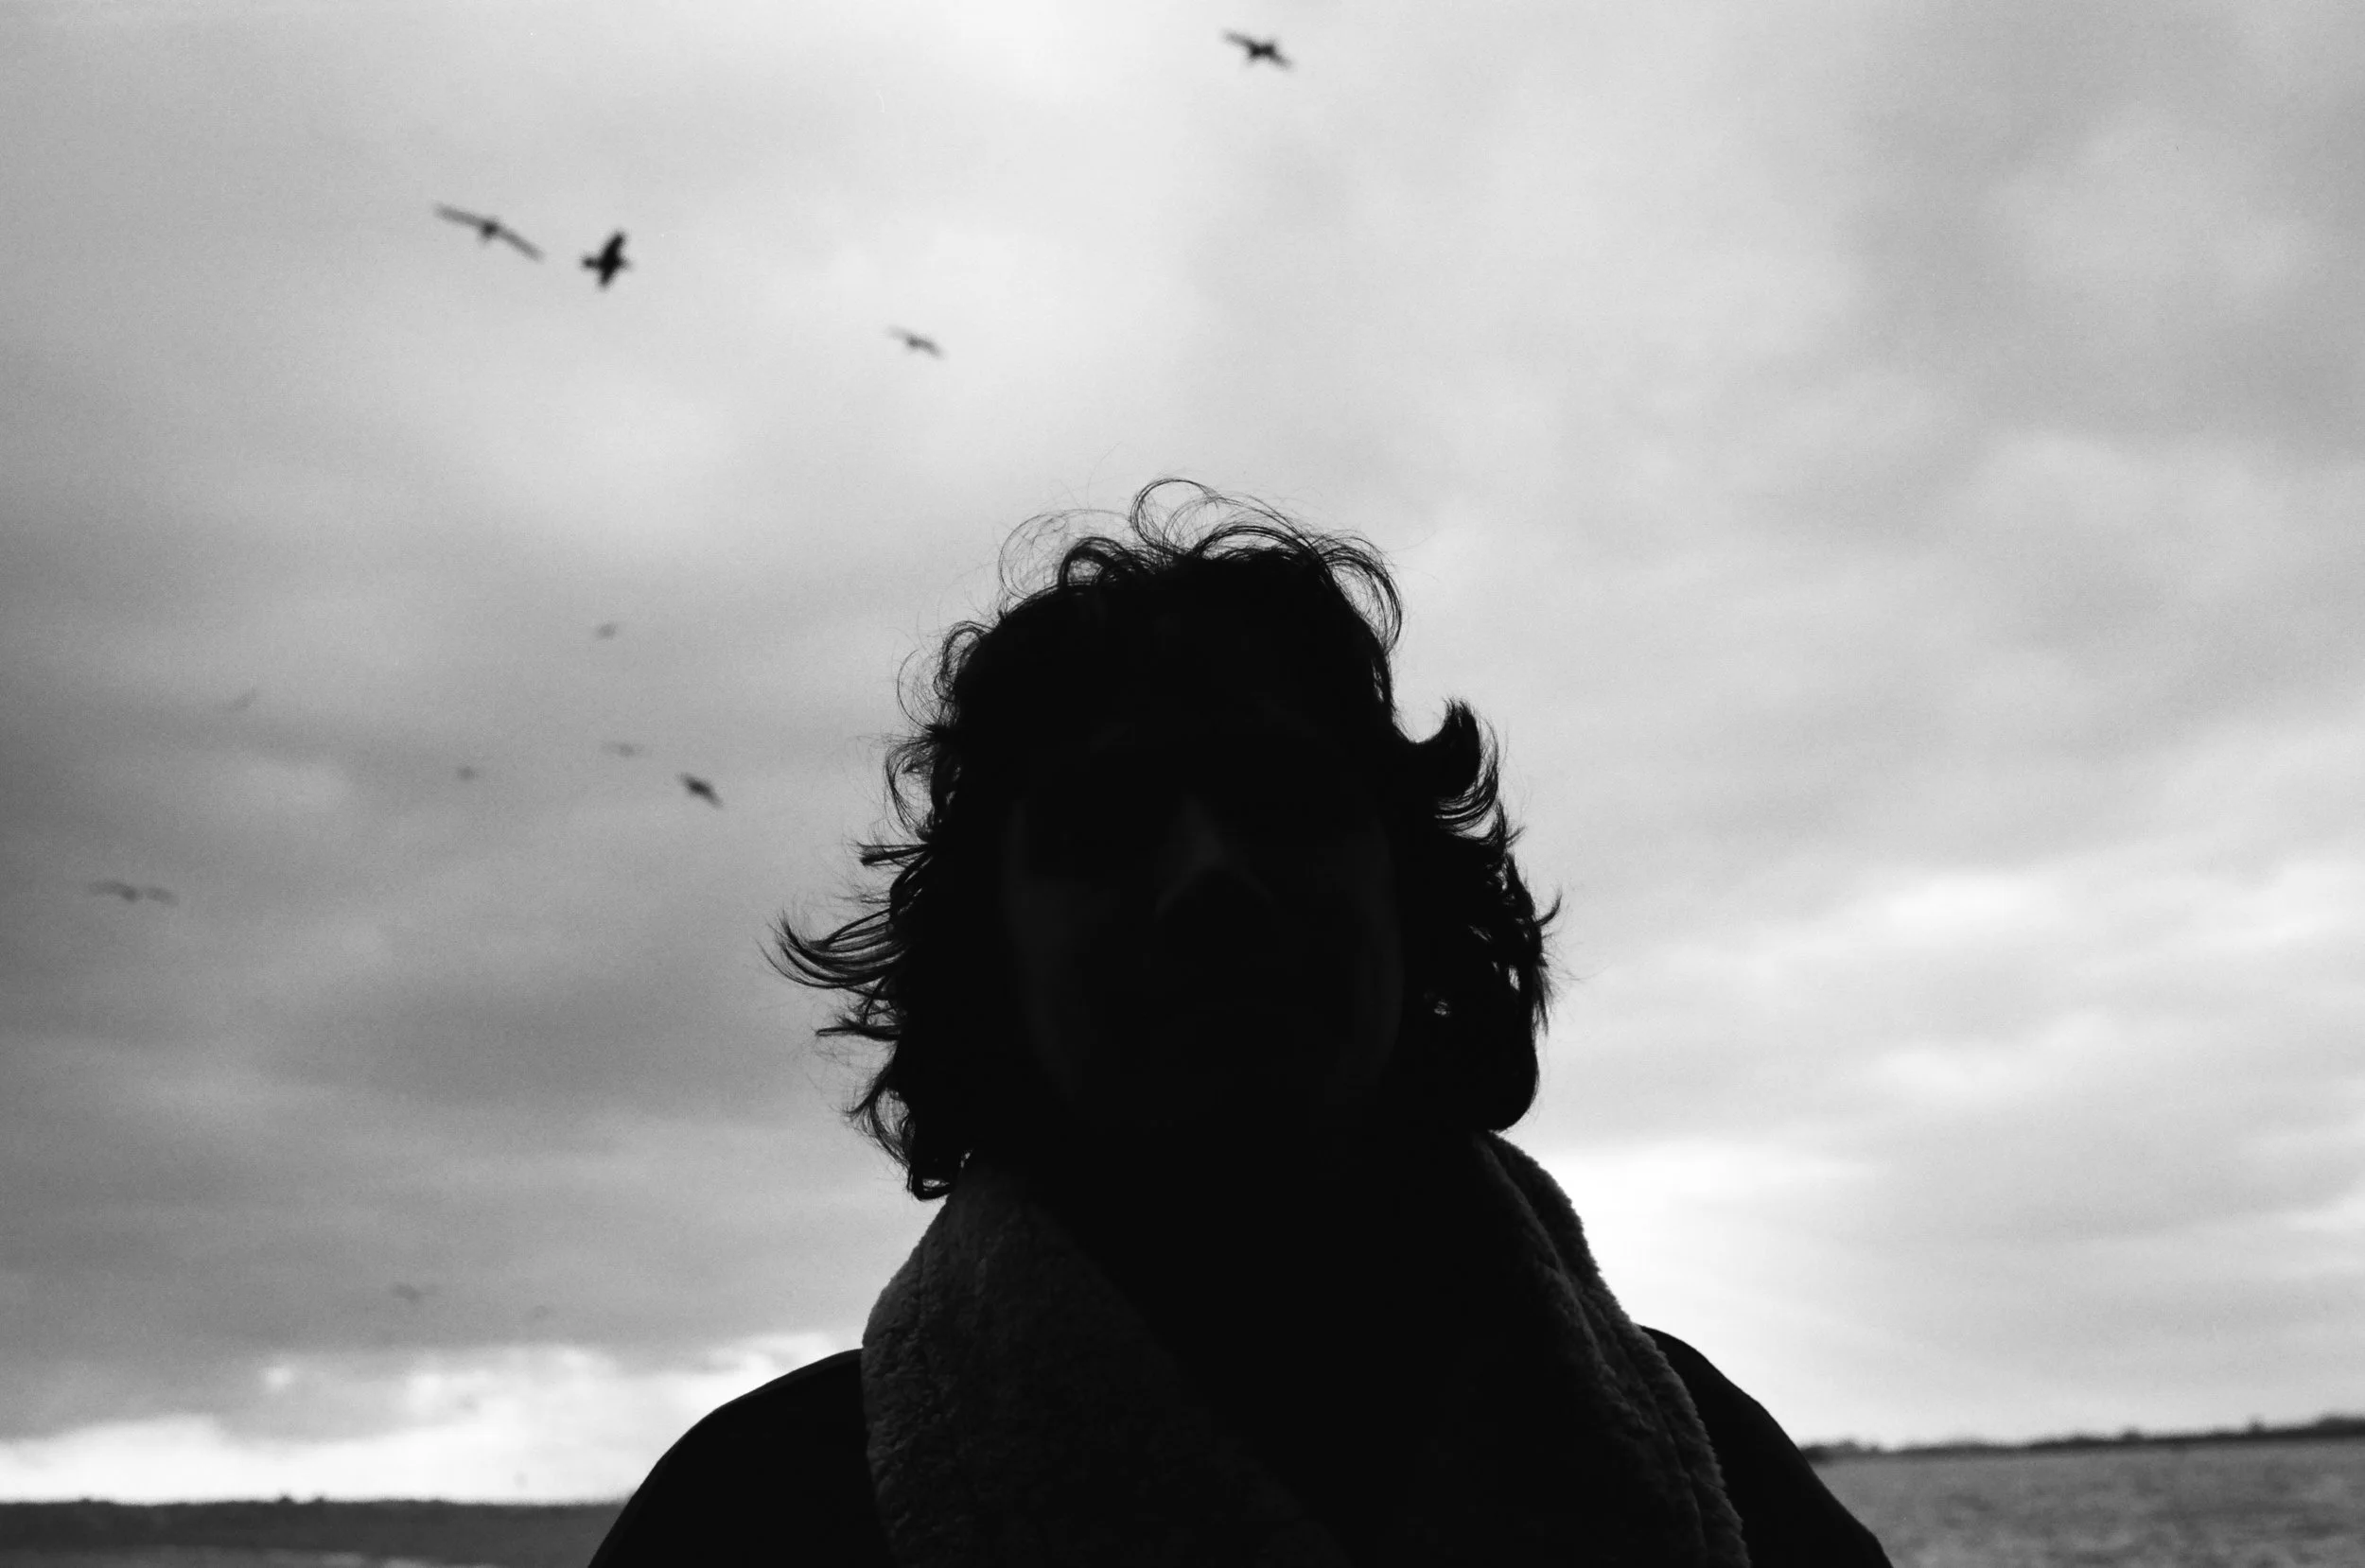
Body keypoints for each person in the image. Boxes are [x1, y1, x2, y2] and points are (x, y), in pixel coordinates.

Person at [587, 482, 1892, 1566]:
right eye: (1105, 826)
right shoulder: (755, 1517)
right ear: (991, 965)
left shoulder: (1741, 1490)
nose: (1211, 879)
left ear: (1412, 902)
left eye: (1283, 800)